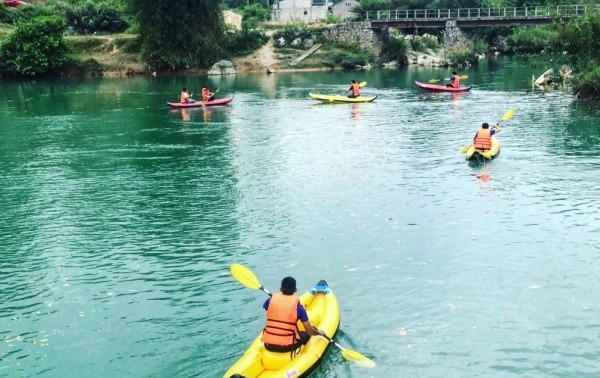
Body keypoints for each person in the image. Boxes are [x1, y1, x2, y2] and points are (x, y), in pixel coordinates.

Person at [262, 277, 325, 354]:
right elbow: (310, 332)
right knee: (305, 334)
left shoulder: (270, 301)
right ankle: (304, 353)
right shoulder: (299, 309)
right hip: (287, 346)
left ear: (280, 289)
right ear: (295, 290)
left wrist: (276, 298)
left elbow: (270, 309)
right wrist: (319, 332)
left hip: (268, 345)